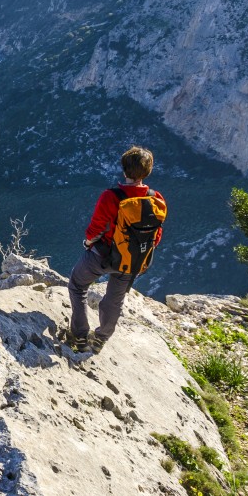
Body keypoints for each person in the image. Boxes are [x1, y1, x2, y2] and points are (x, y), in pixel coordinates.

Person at [66, 147, 167, 354]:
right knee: (115, 299)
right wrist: (138, 251)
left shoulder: (111, 196)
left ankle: (80, 336)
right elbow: (156, 234)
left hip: (102, 256)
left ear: (124, 171)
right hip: (132, 260)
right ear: (147, 172)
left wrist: (88, 243)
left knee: (77, 285)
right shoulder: (156, 198)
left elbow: (95, 228)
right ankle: (100, 339)